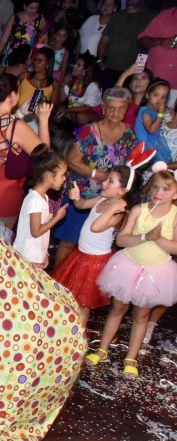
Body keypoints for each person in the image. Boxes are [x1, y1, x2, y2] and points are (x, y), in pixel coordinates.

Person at [88, 167, 177, 377]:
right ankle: (102, 348)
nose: (159, 192)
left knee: (141, 315)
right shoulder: (139, 209)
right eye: (155, 187)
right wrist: (145, 236)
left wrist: (158, 239)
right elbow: (121, 240)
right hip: (128, 266)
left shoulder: (175, 215)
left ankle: (131, 357)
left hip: (155, 273)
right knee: (117, 309)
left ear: (175, 193)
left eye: (166, 189)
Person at [58, 87, 137, 267]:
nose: (116, 112)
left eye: (121, 108)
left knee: (93, 248)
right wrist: (98, 175)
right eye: (111, 108)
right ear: (103, 107)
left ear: (126, 109)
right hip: (82, 194)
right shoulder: (90, 131)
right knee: (69, 242)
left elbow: (130, 166)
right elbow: (72, 160)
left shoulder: (129, 135)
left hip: (108, 201)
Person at [53, 163, 137, 327]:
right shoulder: (104, 198)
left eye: (110, 181)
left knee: (82, 305)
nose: (104, 183)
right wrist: (77, 197)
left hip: (94, 262)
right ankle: (66, 332)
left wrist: (112, 208)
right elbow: (82, 205)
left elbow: (96, 227)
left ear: (123, 191)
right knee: (71, 299)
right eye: (106, 179)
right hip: (81, 255)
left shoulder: (119, 213)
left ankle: (77, 340)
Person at [0, 74, 52, 230]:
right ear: (12, 95)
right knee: (0, 243)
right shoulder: (14, 125)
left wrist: (20, 114)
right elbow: (44, 153)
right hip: (5, 193)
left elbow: (1, 135)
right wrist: (43, 120)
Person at [14, 145, 67, 268]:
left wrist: (45, 253)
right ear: (50, 177)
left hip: (35, 256)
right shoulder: (35, 201)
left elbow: (42, 233)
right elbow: (36, 231)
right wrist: (57, 218)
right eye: (62, 175)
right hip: (27, 258)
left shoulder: (43, 198)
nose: (64, 179)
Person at [98, 0, 151, 88]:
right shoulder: (117, 16)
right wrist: (100, 61)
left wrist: (142, 69)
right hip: (110, 69)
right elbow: (104, 40)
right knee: (107, 99)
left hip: (133, 73)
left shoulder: (150, 16)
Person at [138, 5, 177, 103]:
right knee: (150, 116)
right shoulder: (165, 15)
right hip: (155, 84)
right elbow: (141, 41)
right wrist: (160, 41)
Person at [0, 0, 46, 69]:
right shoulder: (14, 18)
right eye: (31, 8)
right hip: (13, 54)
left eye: (36, 8)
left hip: (30, 56)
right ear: (24, 6)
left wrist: (33, 57)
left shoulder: (41, 19)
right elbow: (4, 38)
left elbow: (44, 41)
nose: (33, 10)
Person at [136, 80, 173, 166]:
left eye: (163, 97)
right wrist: (160, 114)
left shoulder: (156, 110)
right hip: (146, 144)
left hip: (156, 142)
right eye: (156, 95)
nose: (159, 100)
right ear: (147, 95)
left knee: (162, 165)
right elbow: (151, 130)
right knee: (154, 165)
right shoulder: (145, 112)